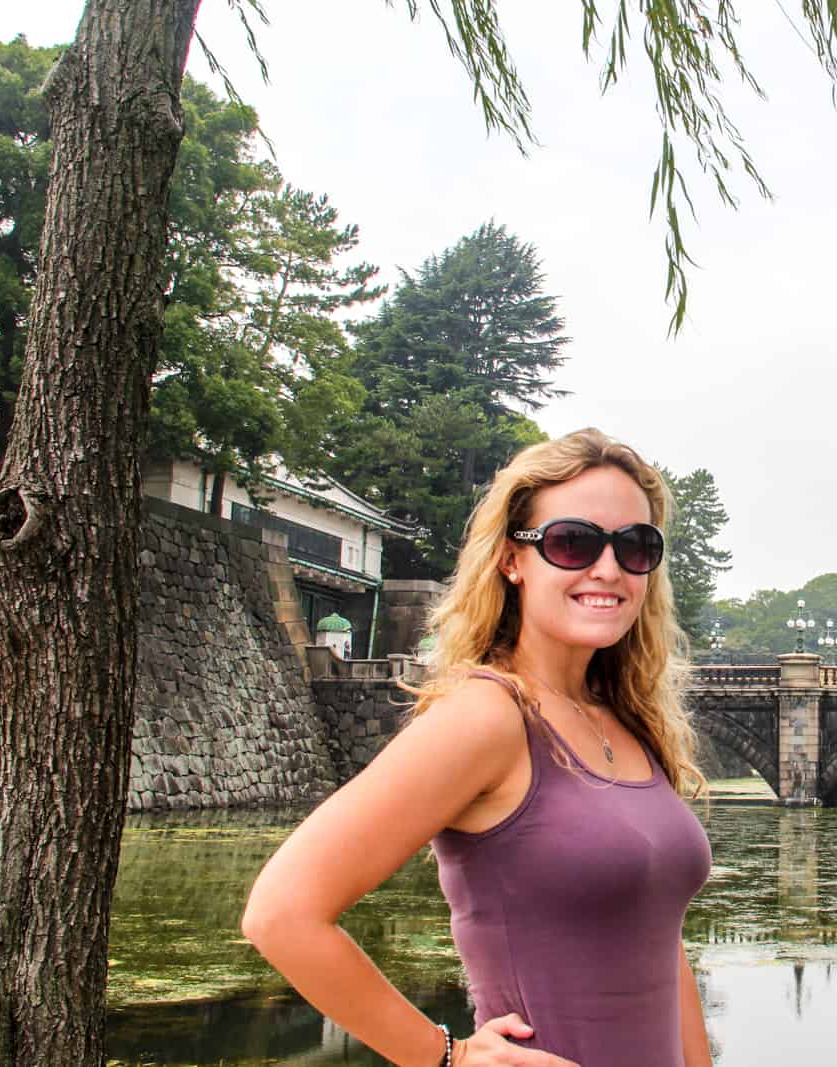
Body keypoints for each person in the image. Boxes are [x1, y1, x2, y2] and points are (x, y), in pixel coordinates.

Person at [242, 428, 713, 1067]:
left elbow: (661, 939)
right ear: (512, 559)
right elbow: (281, 915)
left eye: (635, 545)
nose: (608, 568)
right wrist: (448, 1057)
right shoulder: (487, 717)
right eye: (572, 543)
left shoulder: (625, 717)